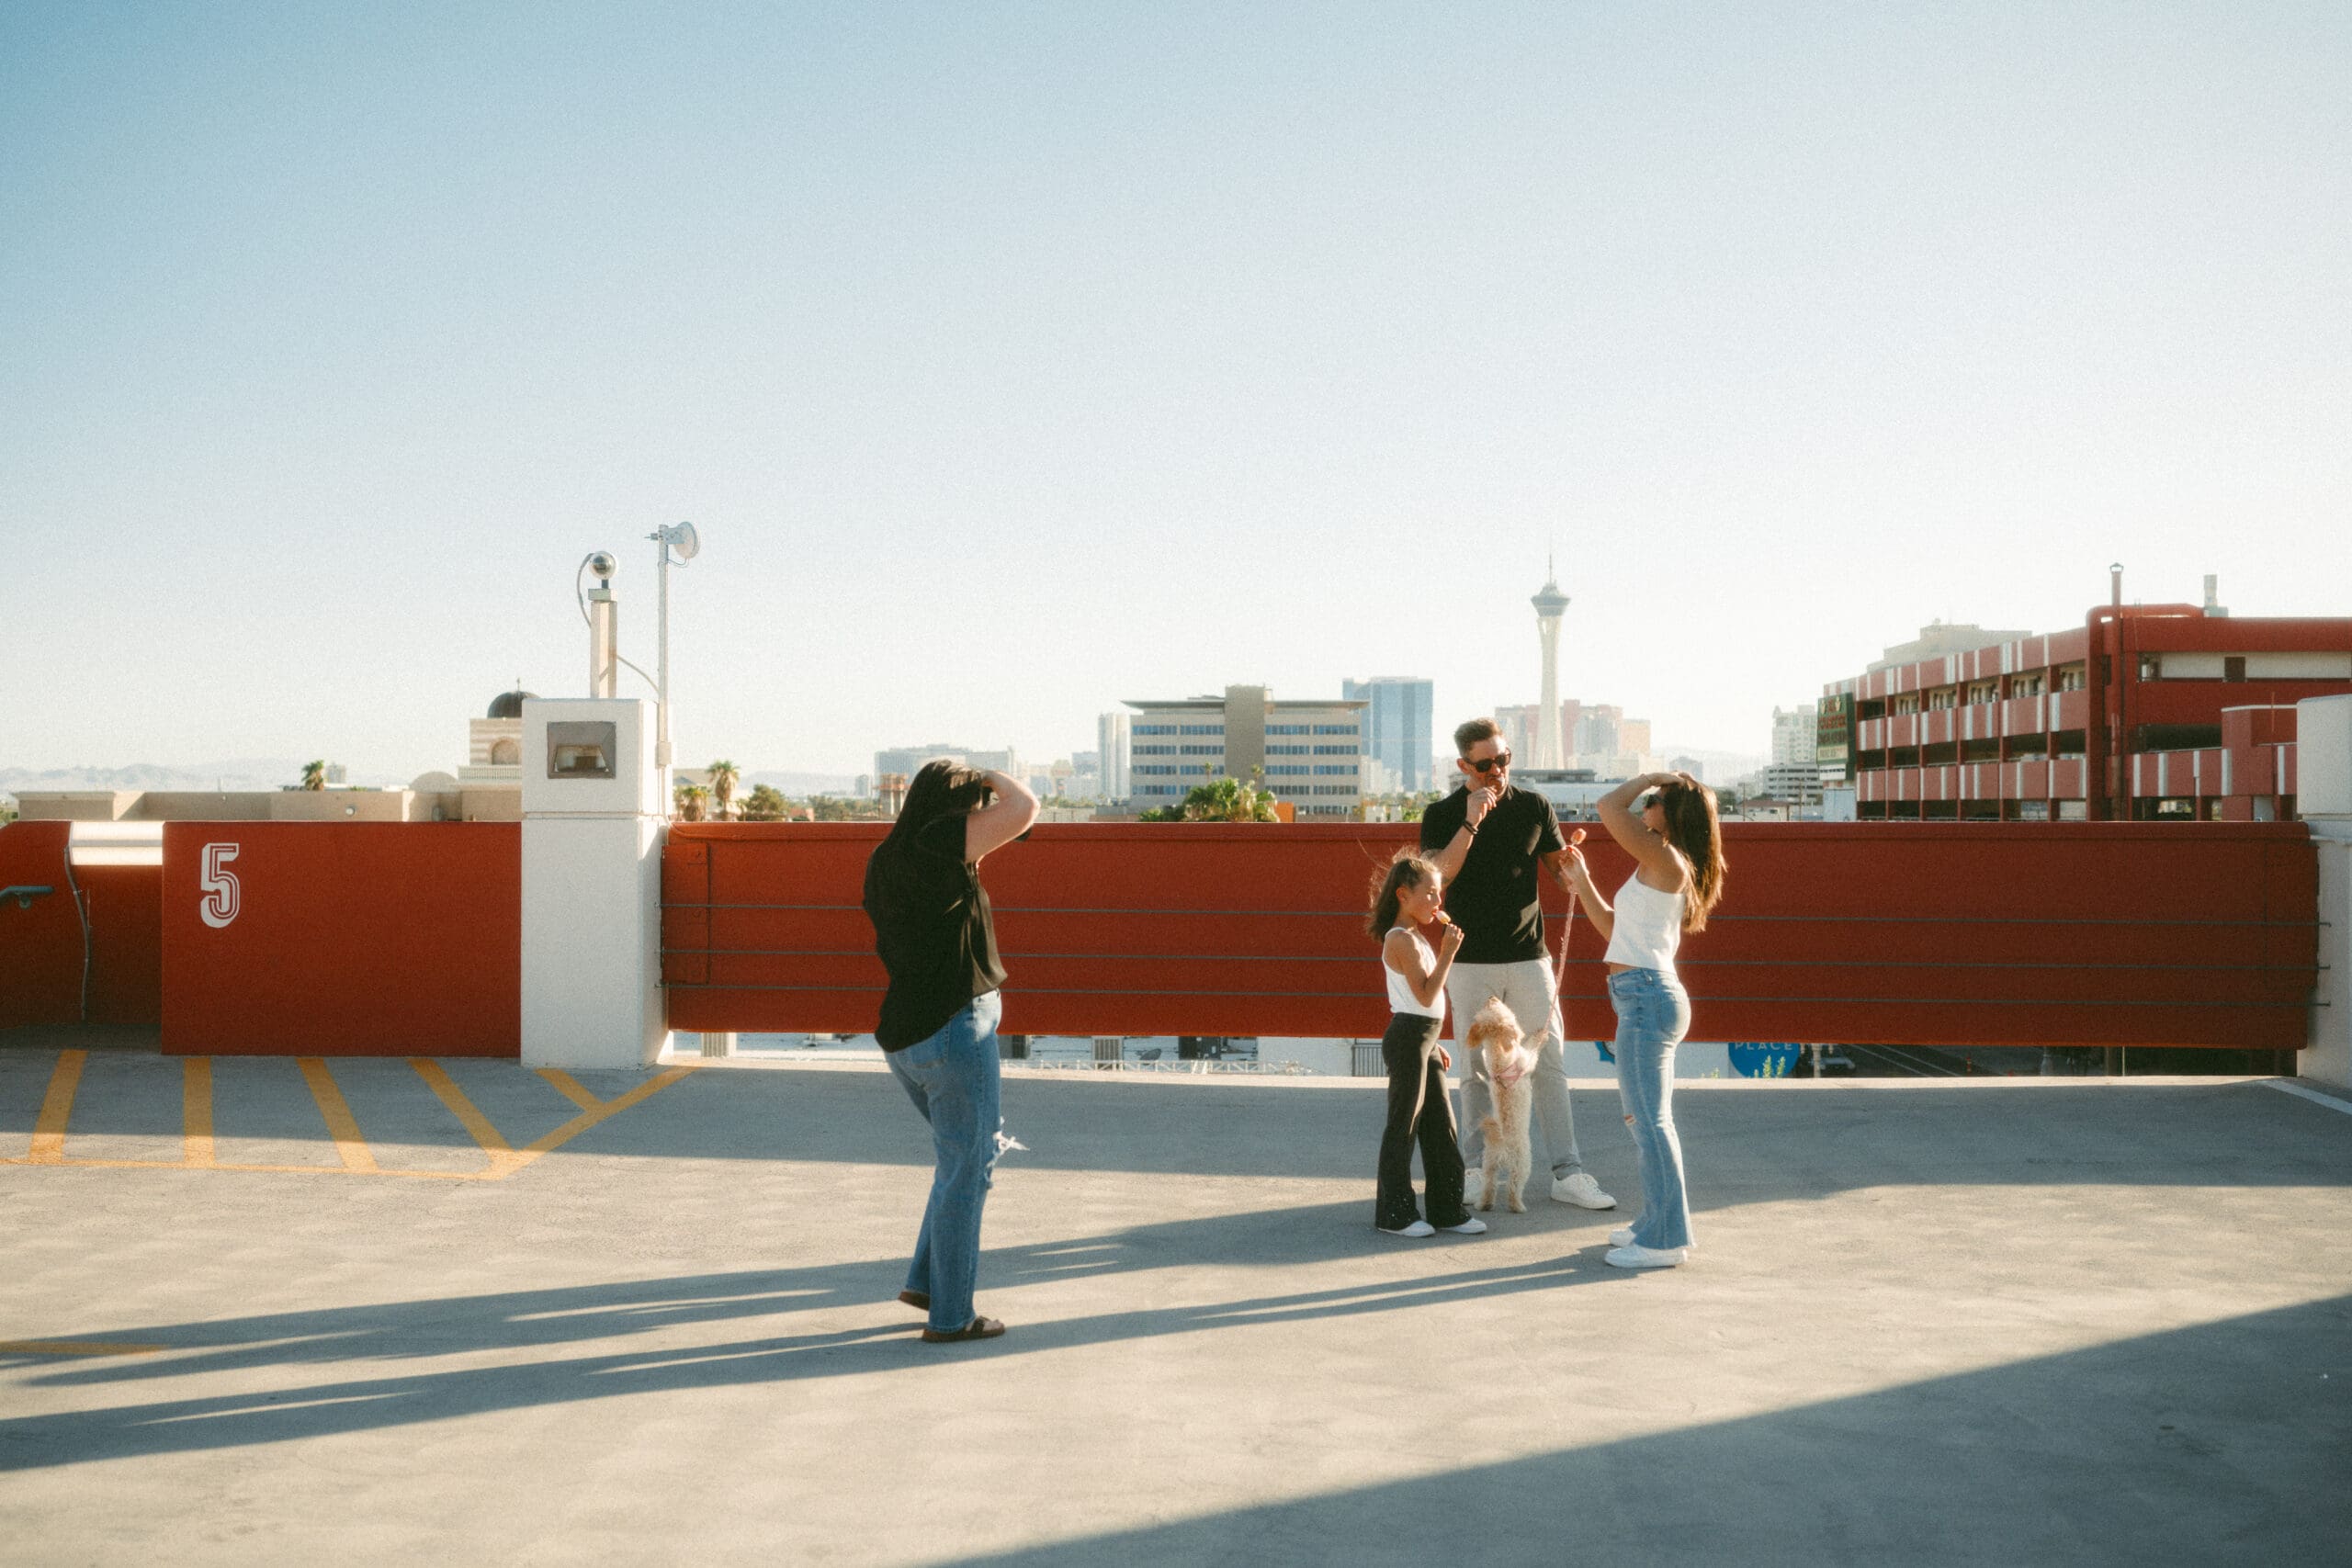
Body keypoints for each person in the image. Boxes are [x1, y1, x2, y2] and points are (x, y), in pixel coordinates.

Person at [861, 758, 1039, 1341]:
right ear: (957, 807)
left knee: (956, 1161)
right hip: (955, 1029)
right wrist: (990, 774)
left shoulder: (888, 855)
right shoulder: (942, 841)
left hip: (906, 1039)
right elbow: (1027, 809)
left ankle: (926, 1281)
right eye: (976, 806)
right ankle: (952, 1318)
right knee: (971, 1171)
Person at [1420, 718, 1616, 1211]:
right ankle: (1475, 1168)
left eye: (1504, 760)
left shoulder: (1534, 806)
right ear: (1464, 765)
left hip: (1530, 956)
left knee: (1548, 1063)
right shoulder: (1442, 813)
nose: (1497, 771)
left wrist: (1571, 866)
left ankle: (1567, 1172)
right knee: (1474, 1069)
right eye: (1485, 764)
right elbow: (1437, 877)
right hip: (1468, 960)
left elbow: (1559, 874)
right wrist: (1471, 821)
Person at [1563, 770, 1727, 1269]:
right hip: (1642, 995)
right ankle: (1654, 1222)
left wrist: (1653, 775)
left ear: (1673, 814)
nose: (1647, 804)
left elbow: (1609, 809)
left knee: (1650, 1124)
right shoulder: (1663, 861)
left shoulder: (1666, 857)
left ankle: (1664, 1240)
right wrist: (1585, 882)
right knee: (1645, 1121)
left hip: (1647, 997)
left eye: (1655, 800)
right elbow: (1615, 928)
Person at [1367, 852, 1485, 1238]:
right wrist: (1450, 953)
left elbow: (1424, 1004)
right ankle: (1395, 1214)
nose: (1438, 902)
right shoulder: (1400, 939)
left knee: (1441, 1126)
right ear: (1403, 894)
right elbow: (1423, 995)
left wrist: (1435, 1044)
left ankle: (1447, 1209)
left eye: (1439, 894)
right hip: (1408, 1037)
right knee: (1405, 1125)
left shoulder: (1416, 937)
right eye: (1430, 894)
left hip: (1424, 1039)